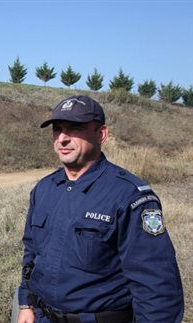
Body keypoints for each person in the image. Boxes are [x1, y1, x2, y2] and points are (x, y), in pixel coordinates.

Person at [17, 95, 184, 323]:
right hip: (43, 317)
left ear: (101, 134)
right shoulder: (44, 189)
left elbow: (157, 285)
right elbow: (31, 255)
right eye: (57, 129)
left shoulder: (130, 196)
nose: (63, 138)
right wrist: (27, 304)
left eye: (74, 128)